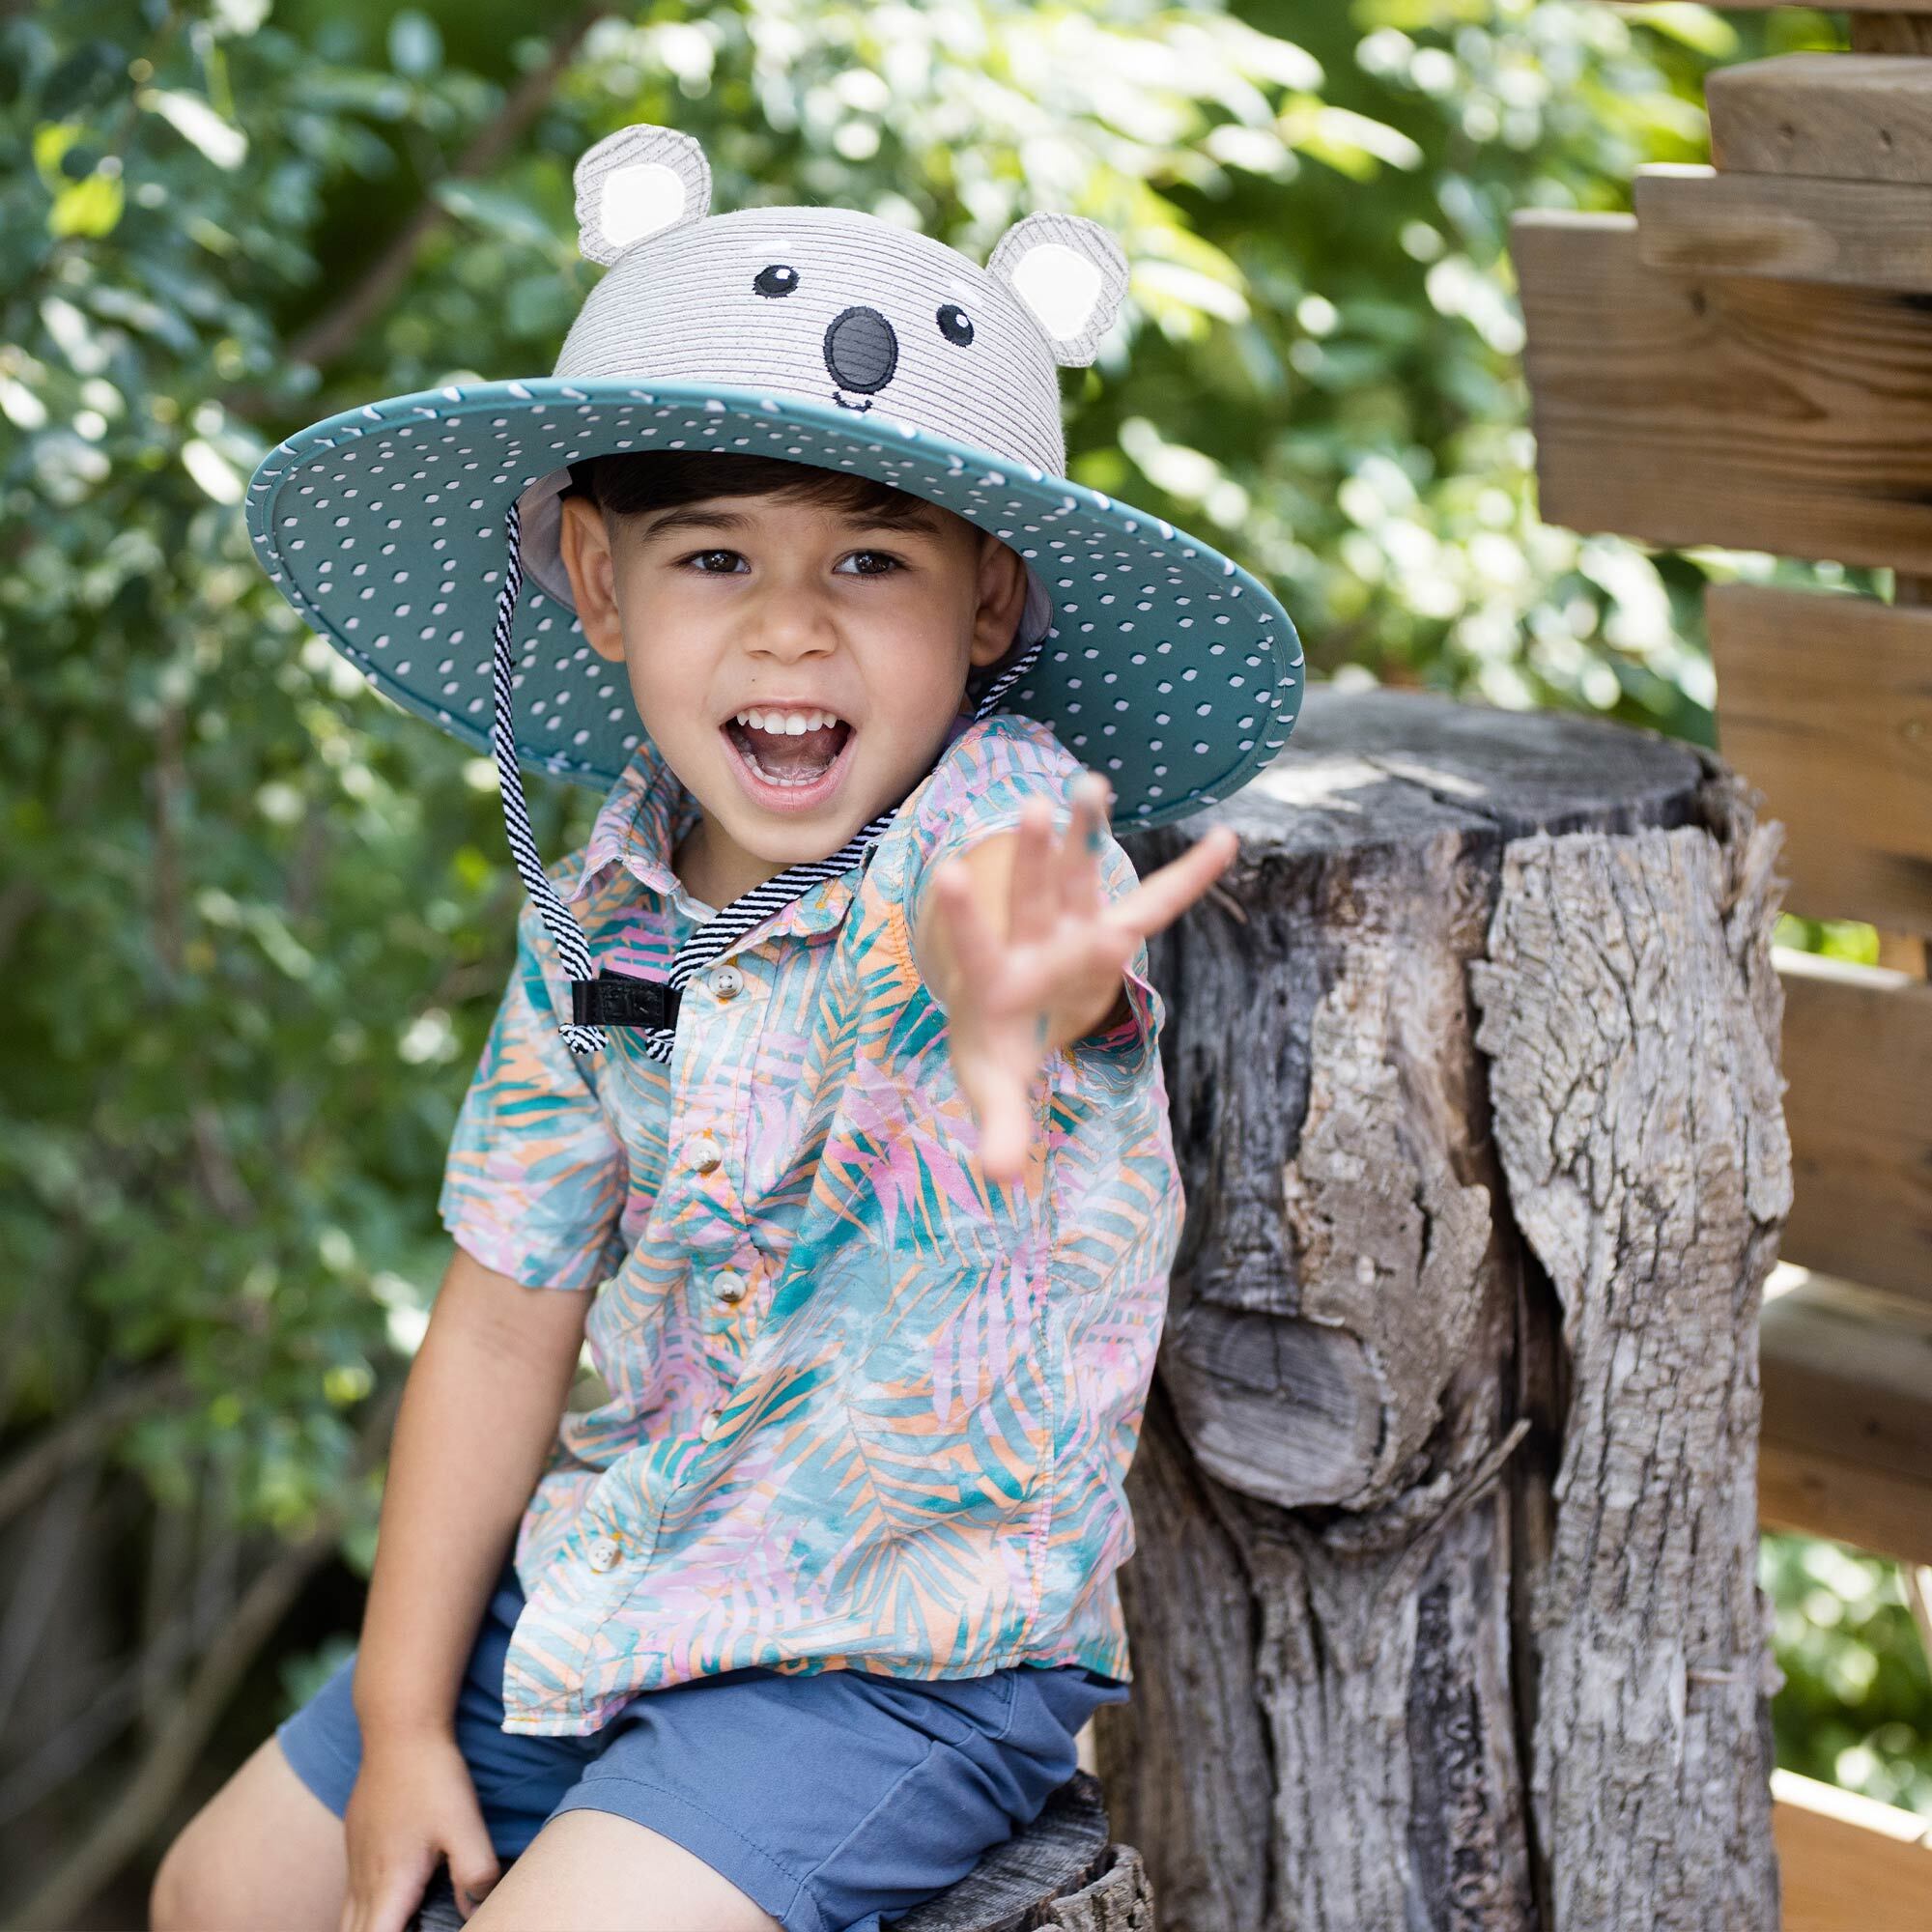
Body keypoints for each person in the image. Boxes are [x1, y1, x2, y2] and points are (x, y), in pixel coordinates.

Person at [152, 122, 1303, 1932]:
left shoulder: (986, 813)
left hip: (884, 1662)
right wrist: (398, 1719)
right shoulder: (597, 901)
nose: (789, 633)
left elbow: (1014, 916)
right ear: (598, 587)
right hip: (618, 1583)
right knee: (224, 1892)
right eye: (711, 563)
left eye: (869, 565)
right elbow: (504, 1315)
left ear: (985, 600)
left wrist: (1027, 978)